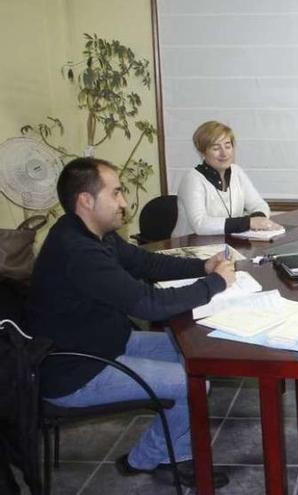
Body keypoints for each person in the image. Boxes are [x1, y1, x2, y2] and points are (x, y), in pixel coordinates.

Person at [27, 157, 235, 488]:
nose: (124, 202)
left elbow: (145, 262)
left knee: (195, 358)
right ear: (86, 199)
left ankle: (149, 456)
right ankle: (159, 459)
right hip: (76, 371)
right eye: (116, 193)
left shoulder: (92, 232)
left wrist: (202, 268)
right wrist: (214, 285)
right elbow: (149, 304)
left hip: (108, 343)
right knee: (193, 382)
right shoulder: (78, 251)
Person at [172, 120, 280, 236]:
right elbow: (200, 224)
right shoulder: (192, 179)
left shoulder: (237, 172)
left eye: (228, 146)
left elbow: (259, 205)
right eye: (216, 148)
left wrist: (259, 221)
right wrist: (248, 223)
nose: (224, 153)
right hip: (189, 248)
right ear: (202, 152)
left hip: (226, 243)